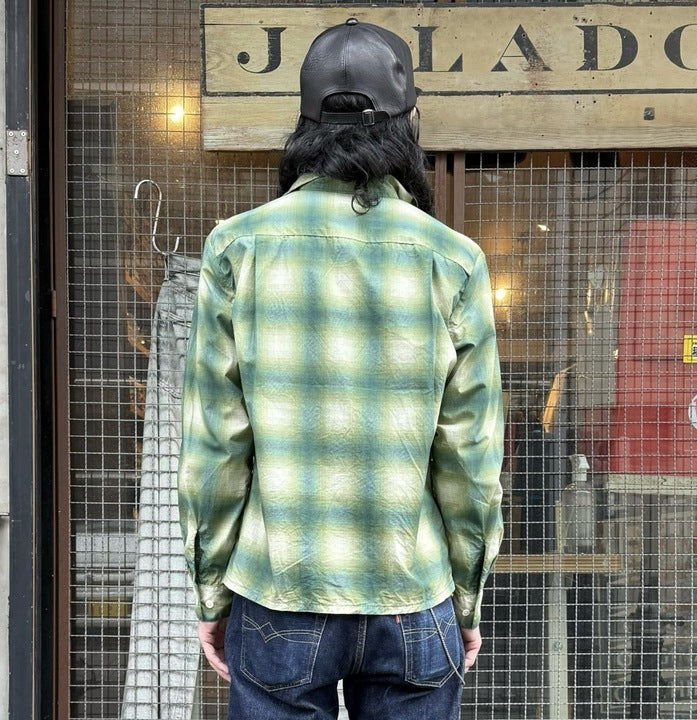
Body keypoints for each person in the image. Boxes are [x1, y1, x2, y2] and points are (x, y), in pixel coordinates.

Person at [177, 18, 504, 720]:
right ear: (409, 123)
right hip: (413, 594)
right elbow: (471, 460)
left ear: (305, 126)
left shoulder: (236, 249)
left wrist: (211, 592)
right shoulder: (454, 261)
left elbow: (215, 448)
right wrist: (466, 599)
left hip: (279, 591)